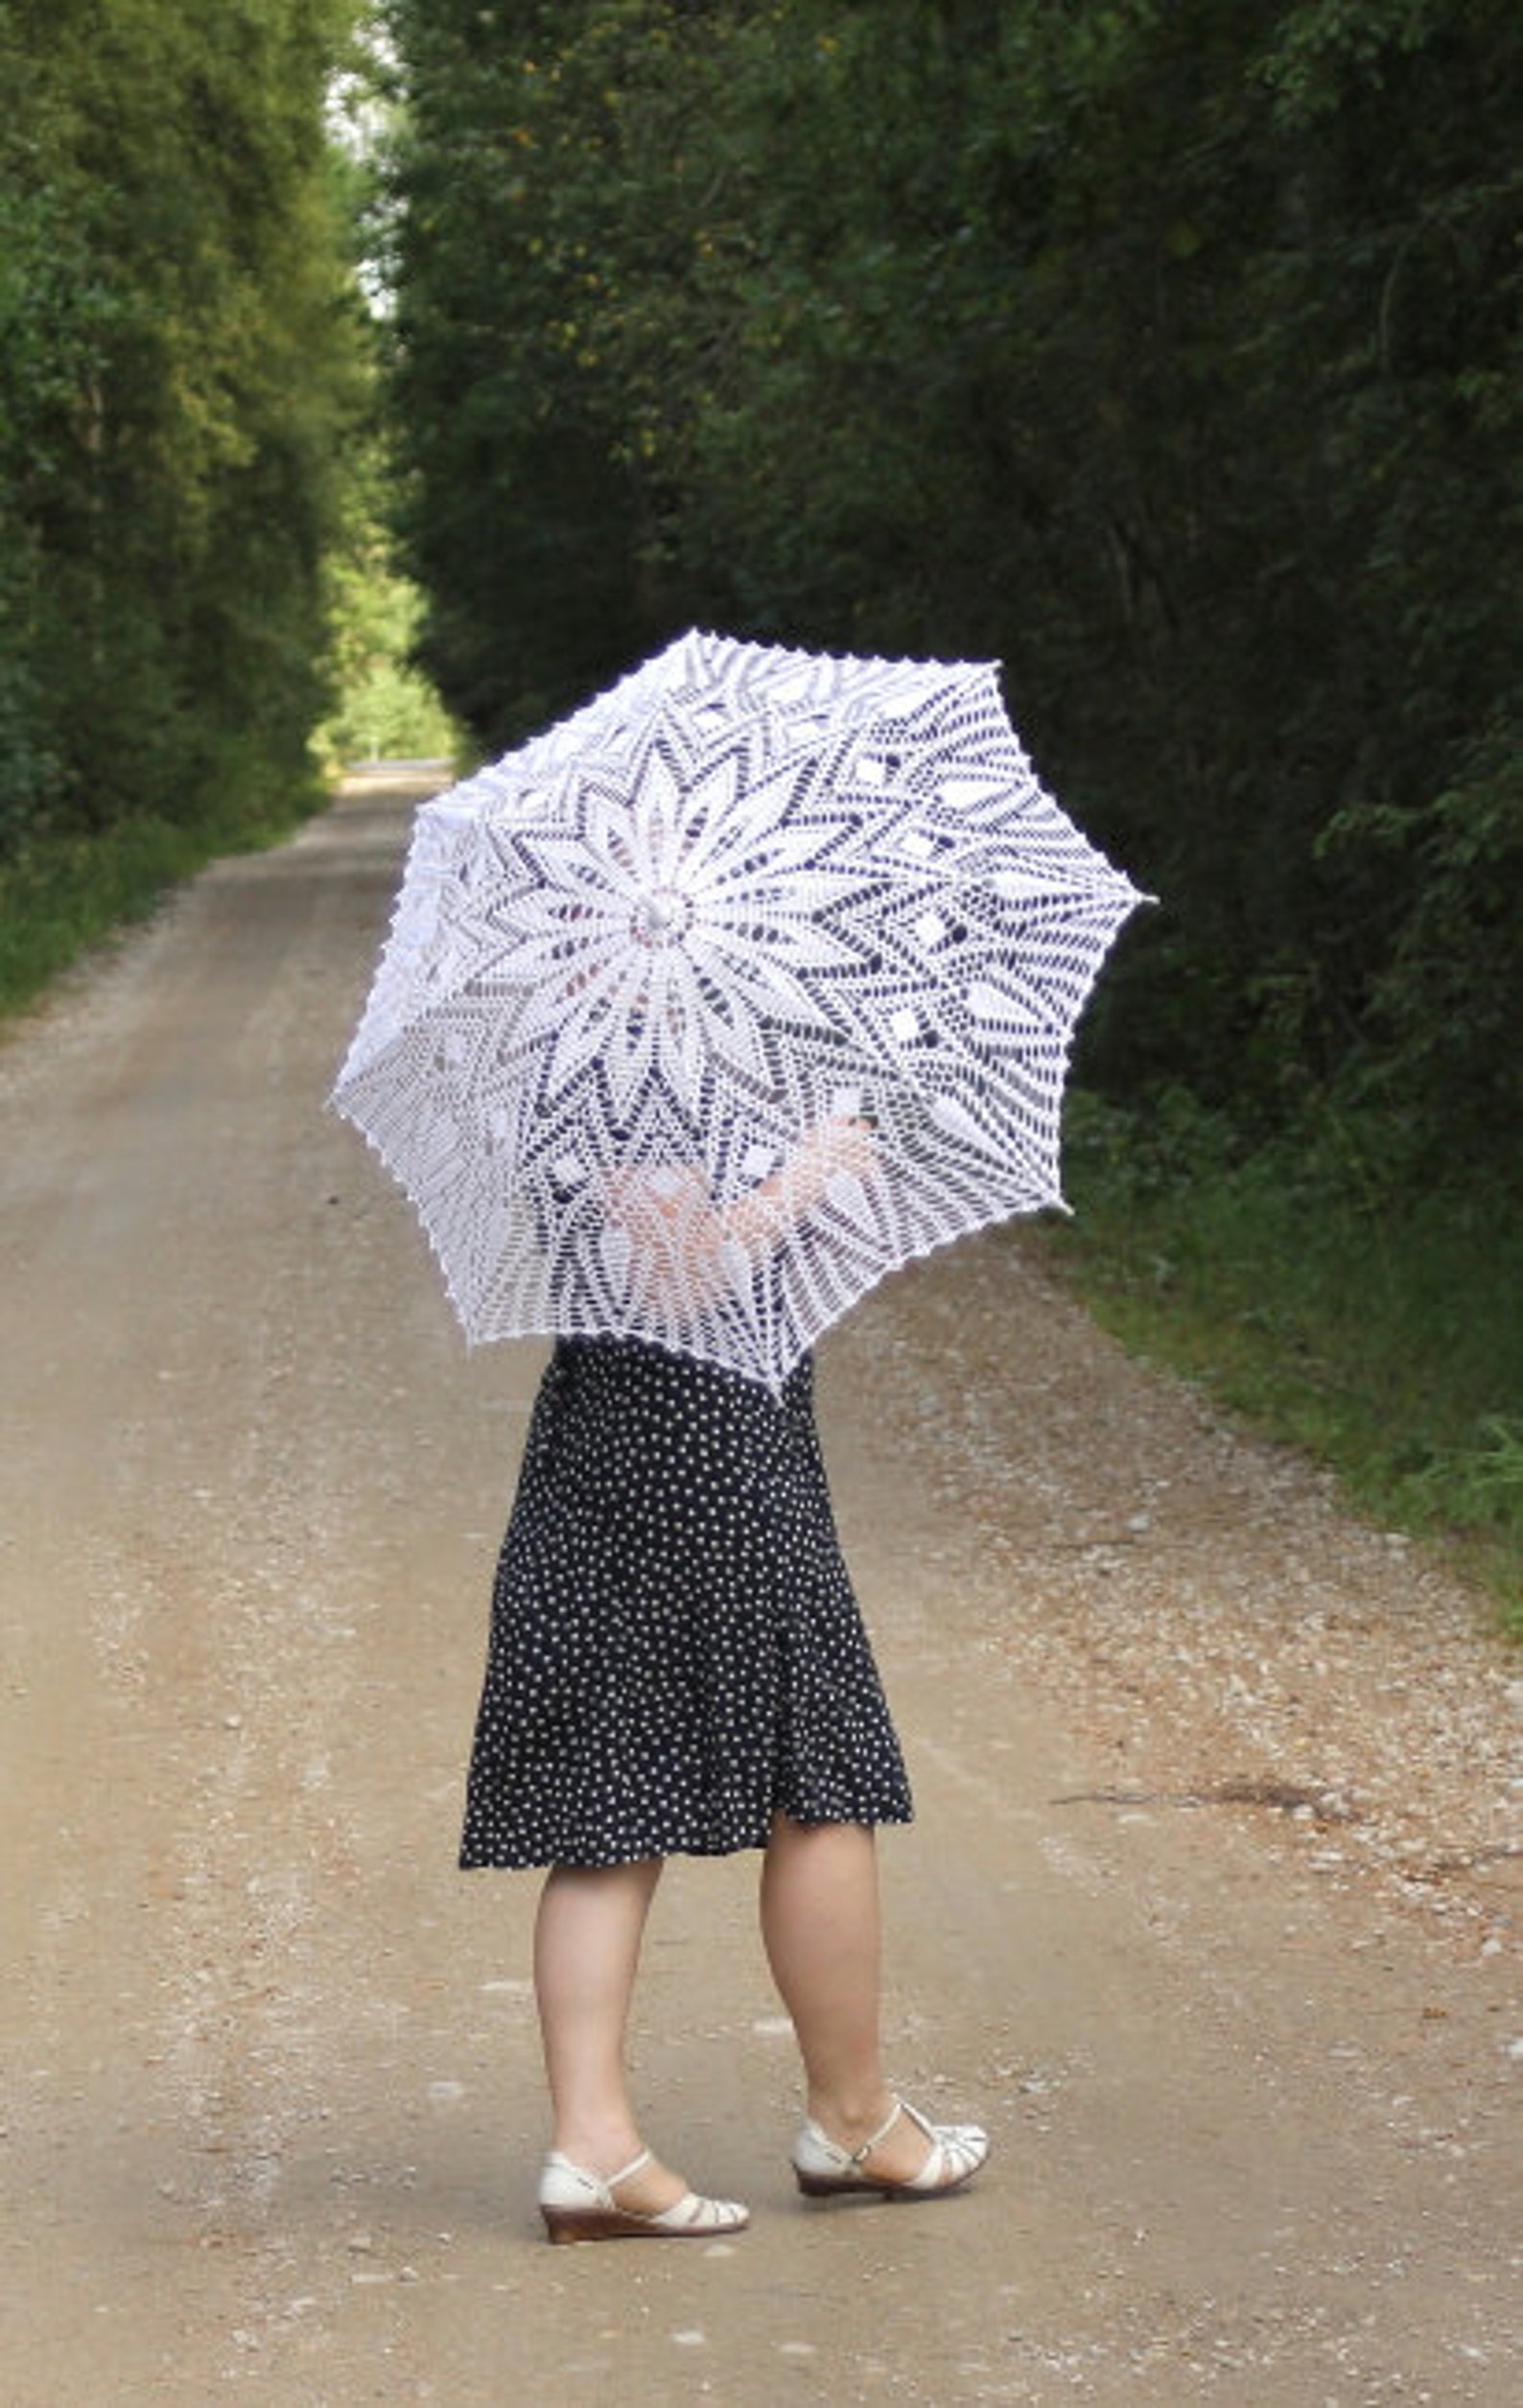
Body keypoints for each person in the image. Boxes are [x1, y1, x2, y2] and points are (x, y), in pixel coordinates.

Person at [458, 1117, 990, 2242]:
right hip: (708, 1459)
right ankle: (852, 2119)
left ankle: (596, 2147)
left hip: (609, 1448)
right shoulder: (639, 1068)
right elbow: (680, 1271)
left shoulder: (575, 1049)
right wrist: (809, 1173)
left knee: (609, 1795)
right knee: (820, 1770)